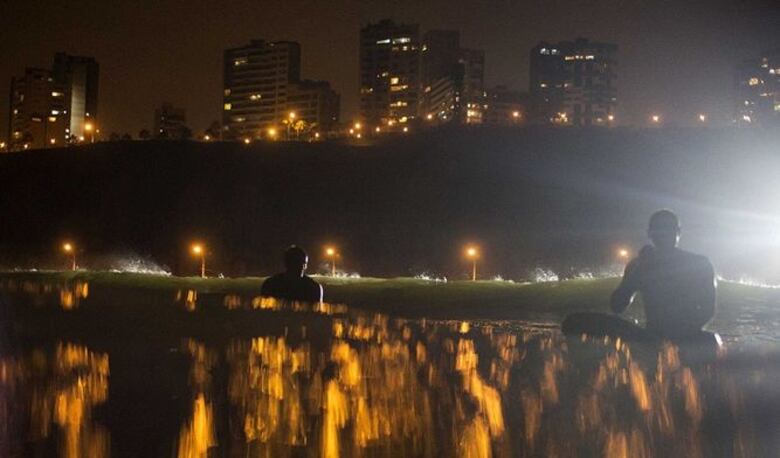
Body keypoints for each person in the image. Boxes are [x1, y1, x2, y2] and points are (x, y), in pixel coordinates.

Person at [610, 209, 716, 338]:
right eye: (659, 230)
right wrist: (639, 269)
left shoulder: (699, 263)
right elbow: (617, 306)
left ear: (678, 232)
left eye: (668, 229)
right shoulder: (638, 265)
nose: (663, 234)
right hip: (655, 336)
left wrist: (679, 334)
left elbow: (708, 309)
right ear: (650, 233)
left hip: (686, 336)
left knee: (711, 339)